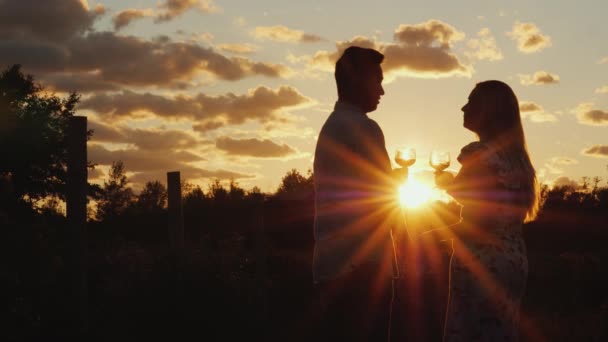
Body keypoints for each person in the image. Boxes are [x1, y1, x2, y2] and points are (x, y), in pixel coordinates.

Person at [426, 80, 540, 341]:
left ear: (488, 111)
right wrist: (452, 187)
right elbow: (488, 201)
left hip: (483, 266)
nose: (463, 108)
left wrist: (427, 237)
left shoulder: (479, 154)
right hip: (513, 263)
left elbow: (478, 224)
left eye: (471, 102)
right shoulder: (518, 160)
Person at [312, 46, 406, 342]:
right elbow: (383, 196)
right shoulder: (363, 128)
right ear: (357, 82)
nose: (382, 90)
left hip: (332, 264)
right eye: (377, 80)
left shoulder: (333, 126)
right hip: (363, 268)